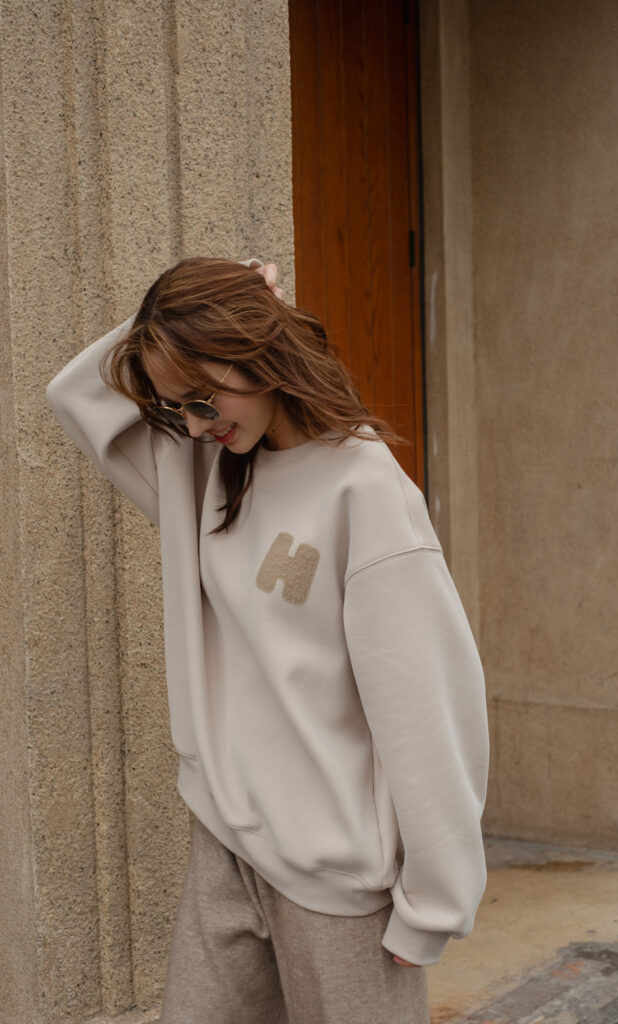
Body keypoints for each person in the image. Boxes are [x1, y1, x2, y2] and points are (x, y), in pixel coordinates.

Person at [45, 256, 489, 1024]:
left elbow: (426, 708)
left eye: (200, 398)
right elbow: (73, 395)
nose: (193, 424)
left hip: (337, 881)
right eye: (175, 407)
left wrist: (435, 902)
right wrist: (183, 317)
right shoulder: (204, 473)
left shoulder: (365, 490)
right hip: (225, 849)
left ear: (255, 350)